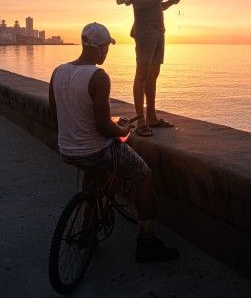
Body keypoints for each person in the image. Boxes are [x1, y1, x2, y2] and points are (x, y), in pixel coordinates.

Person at [49, 22, 179, 263]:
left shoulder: (58, 71)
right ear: (99, 48)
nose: (107, 53)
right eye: (107, 48)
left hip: (67, 150)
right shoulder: (98, 76)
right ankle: (146, 239)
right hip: (95, 150)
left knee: (92, 173)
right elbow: (103, 127)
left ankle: (89, 228)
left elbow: (57, 114)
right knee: (144, 175)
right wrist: (123, 128)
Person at [128, 0, 182, 137]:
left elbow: (157, 5)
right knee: (141, 74)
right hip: (145, 31)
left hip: (159, 30)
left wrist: (171, 1)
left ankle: (151, 117)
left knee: (153, 76)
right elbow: (139, 3)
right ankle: (140, 121)